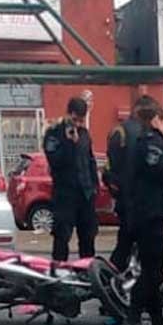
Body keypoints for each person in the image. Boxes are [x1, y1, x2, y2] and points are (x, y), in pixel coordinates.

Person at [103, 95, 163, 308]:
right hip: (144, 205)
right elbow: (154, 170)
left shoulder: (119, 131)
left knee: (126, 250)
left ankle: (109, 290)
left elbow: (110, 169)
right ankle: (129, 299)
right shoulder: (145, 137)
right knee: (148, 259)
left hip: (127, 201)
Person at [121, 106, 163, 325]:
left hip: (141, 211)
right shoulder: (152, 140)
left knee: (154, 269)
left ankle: (157, 321)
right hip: (150, 212)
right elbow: (156, 169)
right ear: (157, 120)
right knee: (152, 270)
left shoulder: (137, 139)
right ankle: (134, 316)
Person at [42, 95, 98, 263]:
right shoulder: (54, 134)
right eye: (76, 119)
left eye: (82, 120)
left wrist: (94, 185)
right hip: (65, 194)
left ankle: (87, 273)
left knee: (88, 236)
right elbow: (55, 161)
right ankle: (59, 273)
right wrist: (69, 143)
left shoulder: (84, 134)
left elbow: (90, 160)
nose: (78, 124)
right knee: (62, 236)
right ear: (69, 114)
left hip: (85, 194)